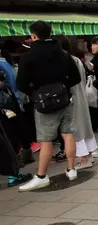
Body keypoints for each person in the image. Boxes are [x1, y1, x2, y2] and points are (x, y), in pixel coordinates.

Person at [16, 21, 81, 191]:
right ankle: (71, 169)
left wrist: (36, 93)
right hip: (65, 100)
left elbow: (21, 84)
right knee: (67, 134)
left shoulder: (28, 57)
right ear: (50, 34)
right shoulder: (64, 54)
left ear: (33, 36)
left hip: (44, 104)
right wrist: (63, 88)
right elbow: (76, 78)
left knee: (45, 141)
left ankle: (42, 176)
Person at [53, 35, 97, 170]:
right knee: (84, 126)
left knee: (75, 128)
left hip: (72, 99)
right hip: (80, 96)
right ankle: (89, 155)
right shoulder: (76, 59)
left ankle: (84, 159)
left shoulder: (63, 60)